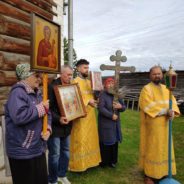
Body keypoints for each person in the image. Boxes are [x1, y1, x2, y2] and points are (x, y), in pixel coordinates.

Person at [5, 63, 51, 184]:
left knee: (41, 180)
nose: (39, 78)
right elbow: (19, 117)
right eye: (36, 75)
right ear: (26, 76)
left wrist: (48, 129)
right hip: (23, 150)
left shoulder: (38, 93)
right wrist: (41, 108)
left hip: (38, 148)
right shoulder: (18, 93)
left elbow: (48, 114)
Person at [138, 66, 180, 184]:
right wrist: (164, 111)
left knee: (165, 148)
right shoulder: (146, 89)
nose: (157, 76)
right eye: (154, 74)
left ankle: (164, 172)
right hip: (153, 125)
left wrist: (172, 112)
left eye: (159, 74)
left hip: (166, 125)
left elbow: (173, 103)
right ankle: (150, 174)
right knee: (153, 149)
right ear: (150, 75)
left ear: (162, 75)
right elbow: (147, 105)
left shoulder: (167, 88)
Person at [69, 59, 101, 172]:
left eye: (88, 67)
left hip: (91, 115)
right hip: (81, 116)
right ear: (78, 68)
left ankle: (91, 162)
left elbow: (95, 96)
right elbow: (73, 98)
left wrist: (97, 93)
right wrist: (88, 101)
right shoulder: (74, 81)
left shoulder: (89, 82)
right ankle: (79, 165)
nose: (87, 70)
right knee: (80, 139)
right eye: (84, 67)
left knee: (91, 138)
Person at [48, 65, 73, 184]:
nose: (70, 77)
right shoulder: (52, 87)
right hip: (56, 127)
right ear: (61, 74)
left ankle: (62, 174)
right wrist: (59, 119)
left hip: (67, 126)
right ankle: (52, 180)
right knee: (54, 155)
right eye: (68, 74)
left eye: (71, 75)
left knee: (66, 152)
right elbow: (49, 109)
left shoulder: (71, 87)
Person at [98, 78, 126, 168]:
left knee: (114, 142)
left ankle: (113, 161)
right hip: (106, 123)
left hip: (115, 124)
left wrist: (120, 106)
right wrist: (111, 115)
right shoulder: (102, 95)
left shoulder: (117, 95)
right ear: (105, 85)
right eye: (108, 83)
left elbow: (124, 107)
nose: (110, 85)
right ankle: (105, 162)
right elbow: (101, 108)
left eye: (112, 83)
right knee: (106, 143)